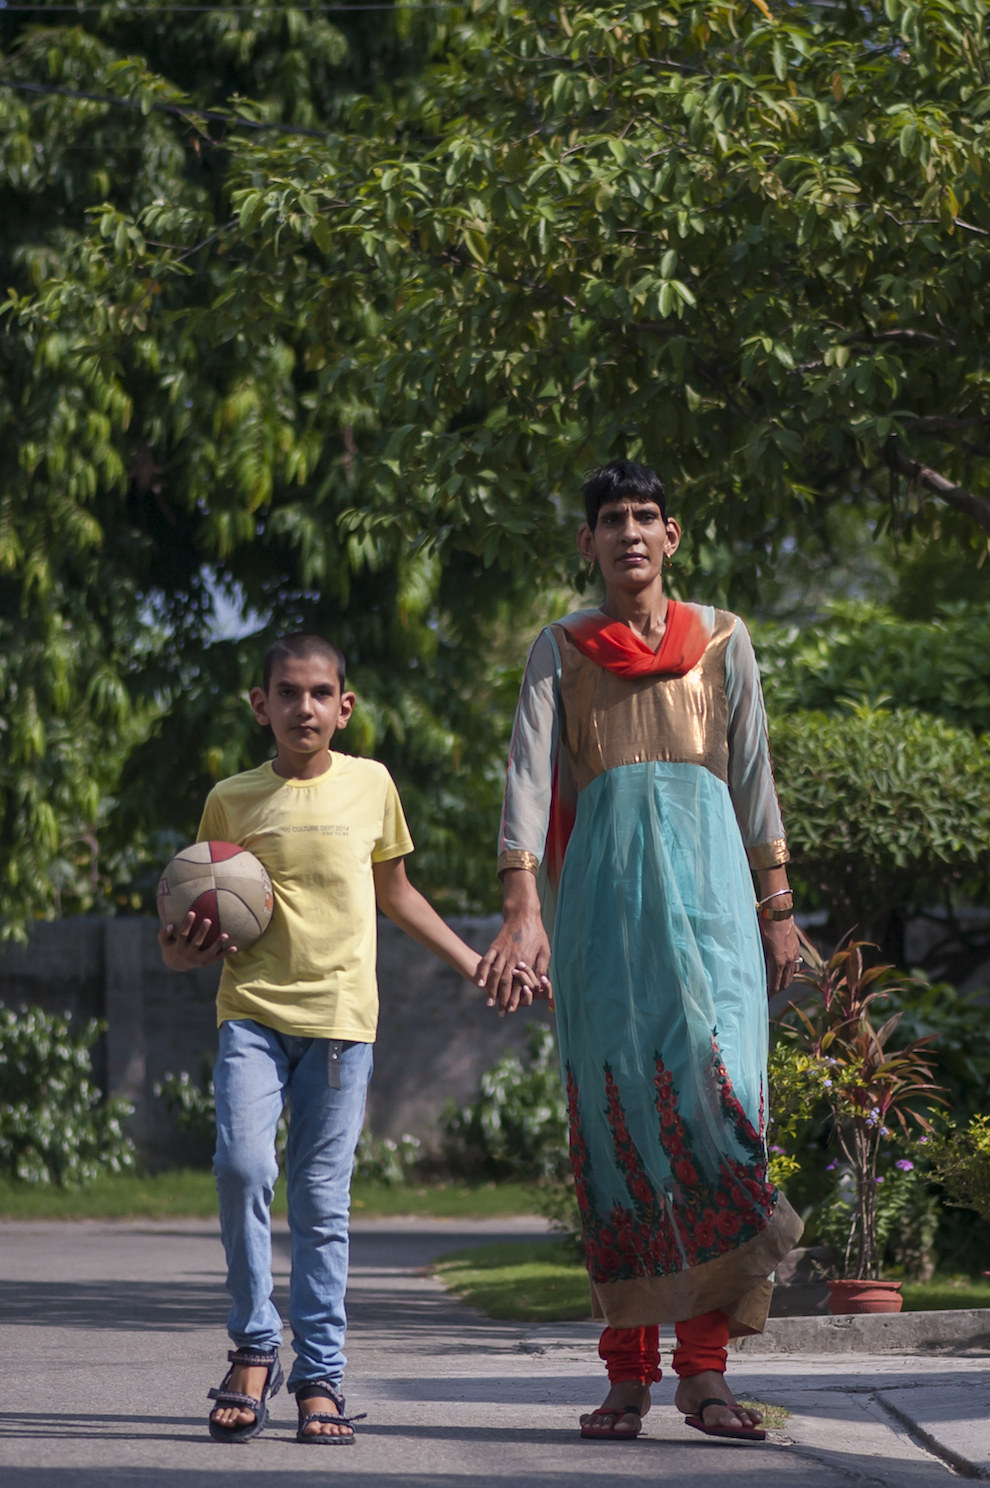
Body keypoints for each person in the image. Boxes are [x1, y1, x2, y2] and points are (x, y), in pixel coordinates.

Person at [478, 460, 804, 1443]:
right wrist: (520, 909)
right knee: (620, 1139)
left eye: (646, 518)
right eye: (612, 519)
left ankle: (706, 1376)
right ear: (588, 543)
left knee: (720, 1123)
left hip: (717, 923)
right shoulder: (561, 649)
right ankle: (628, 1374)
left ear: (673, 537)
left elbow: (754, 778)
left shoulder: (726, 643)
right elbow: (527, 780)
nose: (629, 533)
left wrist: (779, 909)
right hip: (606, 924)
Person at [160, 631, 542, 1445]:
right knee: (241, 1166)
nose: (304, 706)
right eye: (287, 692)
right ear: (260, 705)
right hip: (252, 1015)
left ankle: (320, 1375)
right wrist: (178, 950)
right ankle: (254, 1348)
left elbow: (397, 894)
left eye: (319, 693)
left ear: (345, 705)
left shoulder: (371, 785)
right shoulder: (232, 798)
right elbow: (190, 919)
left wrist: (476, 964)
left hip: (340, 1024)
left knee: (322, 1205)